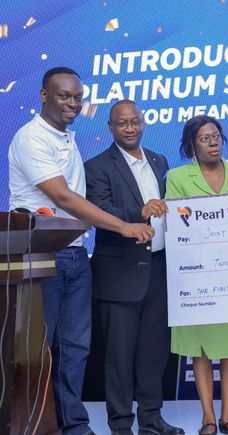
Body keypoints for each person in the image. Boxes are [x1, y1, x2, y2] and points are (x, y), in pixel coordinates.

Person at [8, 67, 153, 435]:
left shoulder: (67, 137)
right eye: (64, 96)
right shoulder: (31, 138)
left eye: (77, 98)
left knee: (74, 348)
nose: (73, 103)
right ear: (44, 95)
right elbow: (63, 197)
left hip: (73, 254)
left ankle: (73, 425)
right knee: (34, 350)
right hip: (38, 257)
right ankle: (29, 426)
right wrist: (123, 225)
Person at [85, 100, 184, 435]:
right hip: (120, 274)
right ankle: (120, 424)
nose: (129, 128)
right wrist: (138, 212)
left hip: (159, 269)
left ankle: (151, 419)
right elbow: (100, 210)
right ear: (110, 127)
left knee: (154, 353)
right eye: (122, 123)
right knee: (119, 355)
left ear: (143, 124)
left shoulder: (159, 160)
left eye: (134, 122)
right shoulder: (96, 167)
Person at [165, 115, 228, 435]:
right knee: (200, 349)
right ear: (192, 145)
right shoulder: (177, 178)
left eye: (216, 135)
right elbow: (175, 225)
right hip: (195, 276)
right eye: (205, 138)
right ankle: (208, 417)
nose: (213, 142)